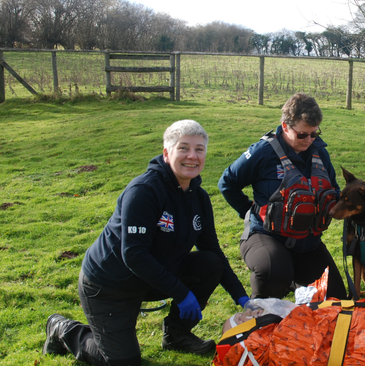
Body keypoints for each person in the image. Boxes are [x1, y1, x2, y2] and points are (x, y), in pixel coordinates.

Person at [43, 120, 250, 366]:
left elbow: (212, 250)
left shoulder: (199, 198)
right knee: (123, 362)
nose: (192, 156)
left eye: (199, 149)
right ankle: (64, 330)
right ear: (166, 153)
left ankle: (176, 335)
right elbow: (133, 254)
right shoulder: (144, 191)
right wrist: (182, 293)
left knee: (210, 263)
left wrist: (243, 299)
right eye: (183, 148)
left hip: (153, 276)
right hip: (111, 285)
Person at [219, 93, 346, 300]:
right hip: (267, 237)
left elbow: (334, 190)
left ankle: (296, 281)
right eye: (303, 135)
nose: (310, 140)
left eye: (314, 133)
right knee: (274, 274)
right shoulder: (263, 152)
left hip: (307, 243)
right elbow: (227, 183)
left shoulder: (319, 153)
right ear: (286, 126)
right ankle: (263, 306)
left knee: (336, 300)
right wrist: (249, 211)